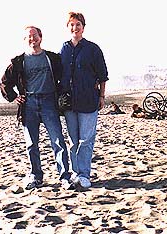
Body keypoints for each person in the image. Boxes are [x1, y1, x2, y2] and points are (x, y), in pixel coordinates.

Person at [0, 26, 72, 190]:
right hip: (29, 104)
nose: (32, 39)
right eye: (28, 37)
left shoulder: (52, 58)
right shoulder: (19, 62)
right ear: (25, 40)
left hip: (49, 102)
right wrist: (14, 97)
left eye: (35, 35)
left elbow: (65, 77)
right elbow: (4, 82)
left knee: (58, 141)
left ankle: (64, 177)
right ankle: (35, 176)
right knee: (31, 144)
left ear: (41, 37)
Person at [59, 11, 108, 190]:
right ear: (68, 27)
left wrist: (102, 96)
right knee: (73, 140)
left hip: (88, 100)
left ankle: (85, 174)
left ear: (83, 27)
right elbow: (58, 75)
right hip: (70, 103)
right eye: (72, 24)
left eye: (78, 24)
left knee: (86, 139)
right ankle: (75, 172)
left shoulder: (93, 49)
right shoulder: (64, 49)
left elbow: (103, 75)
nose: (75, 28)